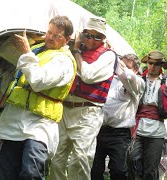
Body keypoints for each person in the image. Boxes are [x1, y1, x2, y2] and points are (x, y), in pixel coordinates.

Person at [0, 15, 77, 180]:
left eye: (57, 35)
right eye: (49, 33)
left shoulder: (65, 61)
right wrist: (31, 41)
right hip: (13, 122)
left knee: (31, 173)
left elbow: (38, 81)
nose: (50, 38)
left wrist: (26, 51)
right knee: (6, 174)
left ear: (67, 39)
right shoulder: (37, 50)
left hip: (39, 126)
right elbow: (3, 51)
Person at [49, 16, 117, 180]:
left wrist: (77, 51)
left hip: (88, 112)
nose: (92, 40)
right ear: (83, 34)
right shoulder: (70, 49)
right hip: (65, 108)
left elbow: (88, 75)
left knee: (80, 159)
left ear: (104, 38)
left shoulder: (109, 56)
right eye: (88, 35)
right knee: (56, 158)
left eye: (98, 36)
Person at [91, 54, 145, 180]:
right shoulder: (109, 79)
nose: (121, 68)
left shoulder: (138, 83)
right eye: (121, 65)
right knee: (94, 169)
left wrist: (114, 57)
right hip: (99, 130)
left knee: (119, 171)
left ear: (136, 70)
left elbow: (129, 77)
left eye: (127, 66)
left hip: (119, 134)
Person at [129, 50, 167, 180]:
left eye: (156, 64)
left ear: (161, 65)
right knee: (132, 159)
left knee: (151, 168)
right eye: (150, 63)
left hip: (157, 130)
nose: (153, 66)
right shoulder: (139, 80)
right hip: (137, 127)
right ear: (147, 63)